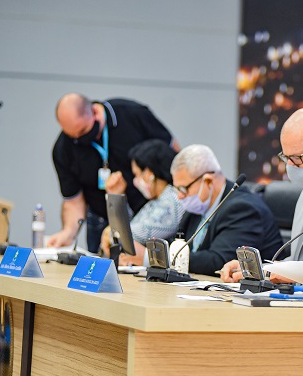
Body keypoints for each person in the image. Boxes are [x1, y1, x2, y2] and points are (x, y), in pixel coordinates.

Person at [220, 108, 303, 283]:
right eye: (286, 157)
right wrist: (258, 270)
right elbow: (300, 262)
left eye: (297, 157)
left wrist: (295, 276)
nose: (289, 166)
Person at [47, 93, 179, 253]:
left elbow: (172, 152)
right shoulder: (63, 148)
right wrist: (68, 232)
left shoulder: (131, 114)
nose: (79, 139)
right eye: (72, 136)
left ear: (95, 111)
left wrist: (182, 189)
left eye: (83, 131)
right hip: (104, 215)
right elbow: (73, 201)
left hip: (147, 207)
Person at [171, 144, 283, 276]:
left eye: (183, 189)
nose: (180, 196)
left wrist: (169, 258)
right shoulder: (195, 207)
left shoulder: (243, 208)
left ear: (208, 181)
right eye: (176, 189)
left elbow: (220, 262)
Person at [100, 139, 184, 266]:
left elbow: (134, 235)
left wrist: (110, 232)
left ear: (150, 172)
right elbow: (130, 226)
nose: (135, 181)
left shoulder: (172, 201)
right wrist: (117, 198)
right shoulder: (156, 200)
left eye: (137, 174)